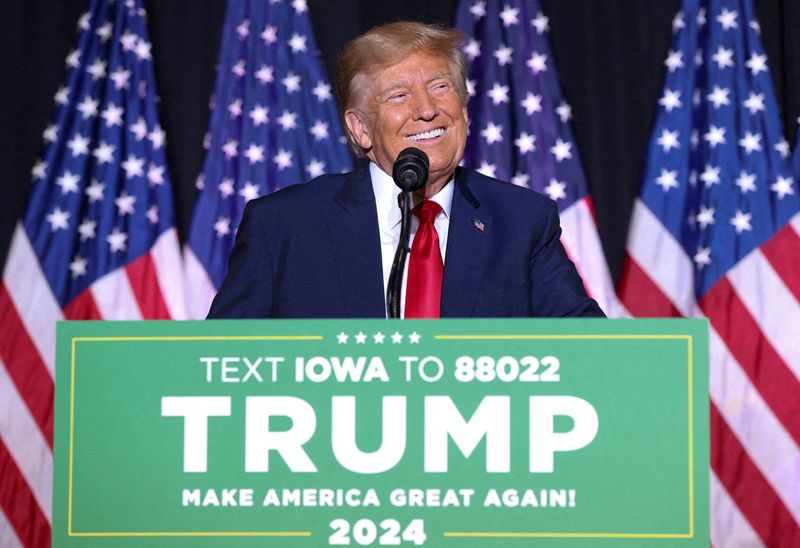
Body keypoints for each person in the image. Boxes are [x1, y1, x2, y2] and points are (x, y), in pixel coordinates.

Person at [208, 21, 604, 319]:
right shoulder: (284, 226)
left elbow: (592, 353)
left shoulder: (521, 221)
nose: (426, 109)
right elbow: (220, 365)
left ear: (465, 110)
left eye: (440, 87)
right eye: (399, 95)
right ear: (360, 128)